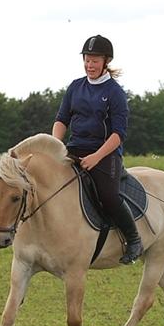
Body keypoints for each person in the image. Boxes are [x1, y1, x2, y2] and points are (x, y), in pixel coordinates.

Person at [52, 35, 144, 264]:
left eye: (95, 61)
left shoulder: (115, 92)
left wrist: (96, 157)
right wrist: (55, 147)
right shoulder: (75, 87)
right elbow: (61, 120)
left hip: (105, 154)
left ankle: (134, 240)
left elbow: (118, 134)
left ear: (105, 62)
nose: (89, 65)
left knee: (108, 196)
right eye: (87, 60)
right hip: (74, 149)